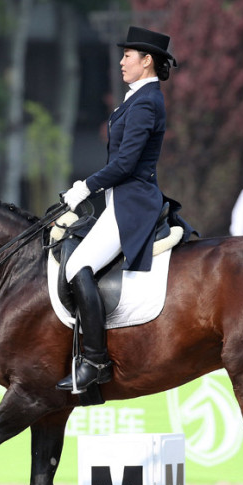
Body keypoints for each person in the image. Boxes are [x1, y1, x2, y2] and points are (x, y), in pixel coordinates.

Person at [56, 25, 178, 393]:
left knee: (78, 266)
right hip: (119, 199)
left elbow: (125, 165)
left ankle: (94, 361)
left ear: (147, 61)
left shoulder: (146, 102)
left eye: (128, 56)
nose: (122, 61)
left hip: (133, 202)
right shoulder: (136, 98)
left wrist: (84, 188)